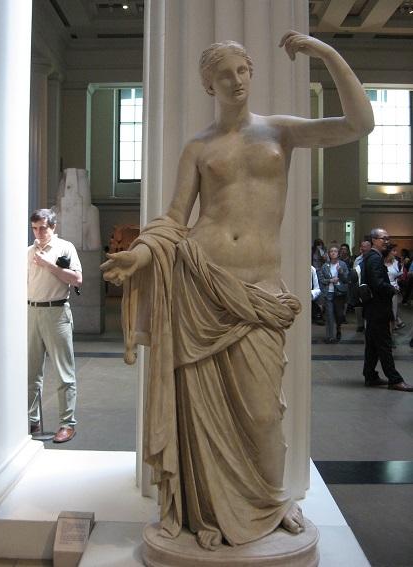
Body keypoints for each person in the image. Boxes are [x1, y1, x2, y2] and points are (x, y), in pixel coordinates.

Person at [101, 31, 374, 550]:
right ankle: (207, 509)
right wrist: (140, 254)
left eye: (243, 70)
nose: (236, 80)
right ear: (209, 85)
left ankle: (272, 500)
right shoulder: (199, 147)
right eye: (224, 75)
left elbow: (359, 124)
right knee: (204, 412)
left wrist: (326, 53)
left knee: (263, 412)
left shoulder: (280, 131)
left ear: (252, 73)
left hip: (259, 290)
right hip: (201, 283)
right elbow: (175, 217)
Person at [28, 208, 82, 442]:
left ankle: (67, 424)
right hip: (31, 312)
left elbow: (77, 279)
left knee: (64, 372)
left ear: (53, 227)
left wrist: (49, 265)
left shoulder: (65, 248)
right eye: (34, 228)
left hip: (57, 312)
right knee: (30, 372)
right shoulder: (28, 252)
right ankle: (31, 420)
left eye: (43, 228)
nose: (38, 233)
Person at [362, 228, 413, 391]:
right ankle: (395, 379)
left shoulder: (371, 256)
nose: (386, 241)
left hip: (373, 309)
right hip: (378, 309)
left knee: (372, 345)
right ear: (374, 240)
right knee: (384, 345)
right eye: (383, 238)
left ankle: (370, 375)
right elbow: (377, 284)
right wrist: (392, 289)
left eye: (387, 238)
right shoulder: (375, 258)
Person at [320, 246, 349, 343]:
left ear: (338, 253)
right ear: (329, 254)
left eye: (335, 251)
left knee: (339, 315)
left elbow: (346, 279)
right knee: (329, 315)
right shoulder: (325, 266)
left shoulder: (342, 264)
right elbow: (321, 280)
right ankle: (330, 337)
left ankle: (338, 329)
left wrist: (341, 272)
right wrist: (330, 280)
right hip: (329, 292)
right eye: (331, 251)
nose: (333, 253)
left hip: (339, 293)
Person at [352, 239, 371, 332]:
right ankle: (360, 325)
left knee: (368, 307)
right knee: (358, 306)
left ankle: (368, 326)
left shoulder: (373, 258)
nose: (363, 248)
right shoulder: (358, 259)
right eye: (362, 246)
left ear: (370, 247)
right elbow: (354, 273)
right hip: (358, 286)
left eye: (365, 246)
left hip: (369, 286)